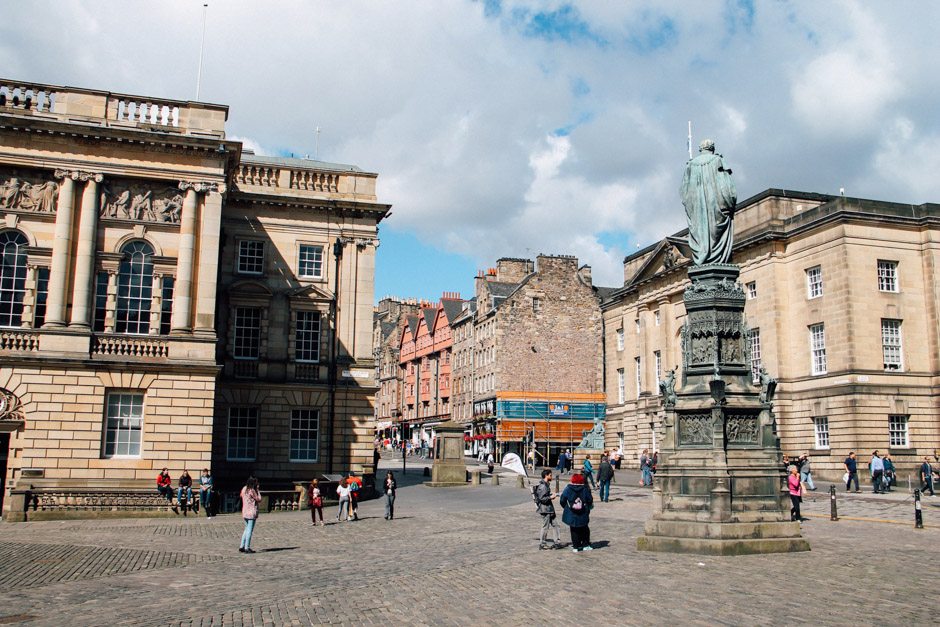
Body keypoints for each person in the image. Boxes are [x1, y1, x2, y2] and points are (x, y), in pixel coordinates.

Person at [680, 139, 738, 266]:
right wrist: (729, 205)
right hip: (716, 208)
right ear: (712, 148)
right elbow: (728, 189)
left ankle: (703, 253)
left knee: (702, 236)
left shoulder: (690, 165)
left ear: (700, 149)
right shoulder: (718, 161)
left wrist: (693, 208)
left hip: (697, 213)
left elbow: (684, 193)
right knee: (716, 234)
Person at [560, 473, 594, 552]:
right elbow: (590, 500)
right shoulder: (585, 489)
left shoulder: (568, 489)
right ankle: (585, 545)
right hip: (582, 512)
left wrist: (567, 507)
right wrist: (586, 507)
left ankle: (576, 546)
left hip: (571, 513)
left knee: (574, 529)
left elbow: (562, 500)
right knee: (584, 528)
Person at [535, 469, 562, 550]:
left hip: (550, 509)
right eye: (550, 475)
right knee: (545, 526)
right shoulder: (542, 486)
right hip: (545, 509)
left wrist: (550, 494)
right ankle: (542, 543)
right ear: (546, 476)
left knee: (556, 525)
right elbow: (541, 498)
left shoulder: (546, 485)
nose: (551, 477)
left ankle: (557, 542)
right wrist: (550, 497)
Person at [239, 477, 261, 553]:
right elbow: (259, 499)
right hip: (251, 512)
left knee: (246, 529)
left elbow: (241, 495)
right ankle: (247, 547)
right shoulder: (252, 490)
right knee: (249, 530)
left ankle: (242, 546)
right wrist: (257, 490)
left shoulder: (244, 489)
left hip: (245, 511)